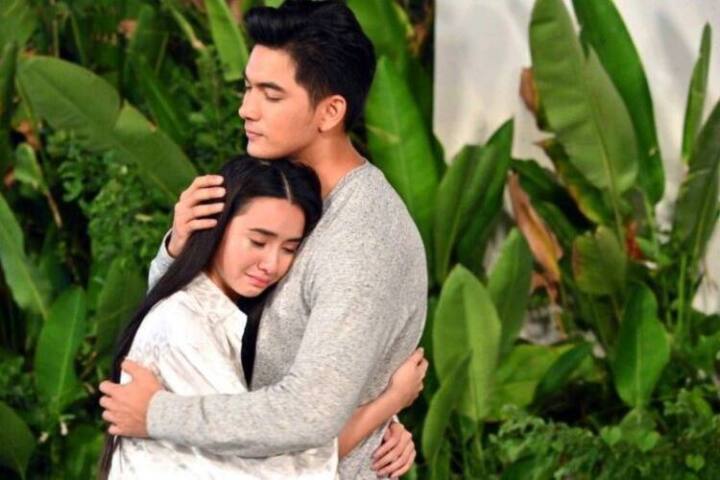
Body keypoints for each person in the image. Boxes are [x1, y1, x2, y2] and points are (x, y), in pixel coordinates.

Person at [99, 1, 428, 478]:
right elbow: (194, 326)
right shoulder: (282, 194)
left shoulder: (362, 239)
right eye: (248, 87)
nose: (246, 109)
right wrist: (181, 250)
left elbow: (308, 412)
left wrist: (157, 413)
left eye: (271, 95)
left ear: (330, 111)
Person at [99, 156, 426, 479]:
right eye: (258, 241)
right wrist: (387, 403)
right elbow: (273, 473)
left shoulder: (228, 319)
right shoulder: (182, 324)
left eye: (289, 248)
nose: (271, 264)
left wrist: (382, 427)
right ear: (217, 225)